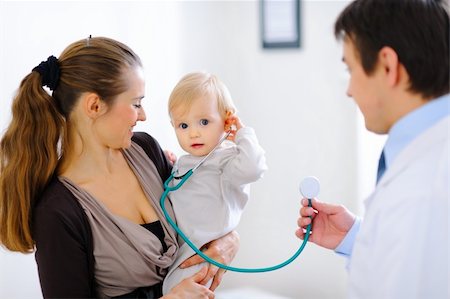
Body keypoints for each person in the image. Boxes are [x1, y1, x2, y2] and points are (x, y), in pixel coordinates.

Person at [0, 36, 240, 299]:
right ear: (94, 106)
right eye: (136, 103)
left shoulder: (147, 151)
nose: (143, 115)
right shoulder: (58, 213)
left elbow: (201, 211)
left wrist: (229, 240)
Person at [296, 0, 449, 298]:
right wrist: (358, 238)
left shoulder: (427, 191)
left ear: (388, 66)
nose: (349, 89)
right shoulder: (425, 164)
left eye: (351, 69)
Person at [162, 72, 267, 294]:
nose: (194, 133)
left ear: (226, 120)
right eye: (183, 126)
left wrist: (242, 133)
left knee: (179, 289)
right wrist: (171, 167)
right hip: (182, 250)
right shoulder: (187, 161)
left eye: (204, 122)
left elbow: (253, 168)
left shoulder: (226, 159)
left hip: (203, 253)